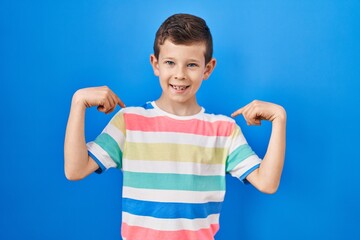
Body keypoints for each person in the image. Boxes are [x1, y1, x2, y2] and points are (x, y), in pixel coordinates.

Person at [64, 13, 286, 240]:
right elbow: (75, 169)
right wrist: (78, 102)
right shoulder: (128, 122)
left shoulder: (224, 130)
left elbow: (267, 183)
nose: (179, 74)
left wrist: (279, 118)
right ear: (155, 64)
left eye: (191, 65)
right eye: (170, 62)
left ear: (207, 69)